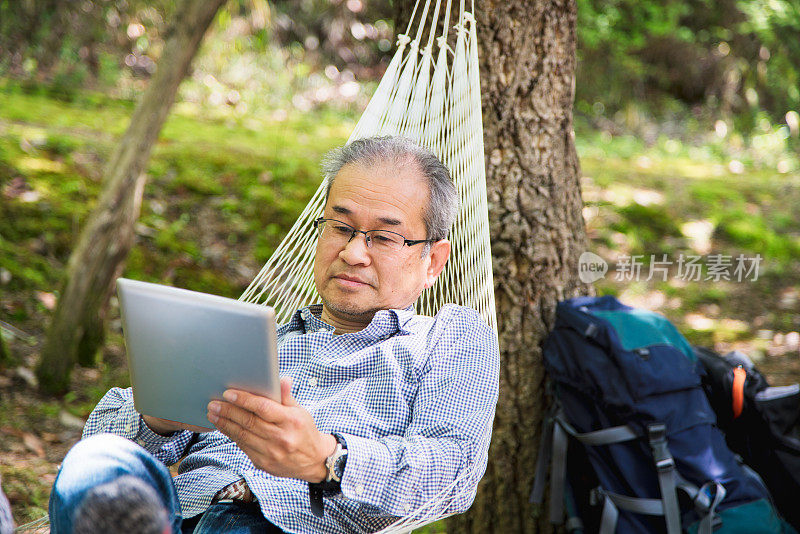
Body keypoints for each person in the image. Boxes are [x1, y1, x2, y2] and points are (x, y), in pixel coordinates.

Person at [49, 136, 500, 533]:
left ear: (433, 262)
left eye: (383, 238)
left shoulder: (448, 340)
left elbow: (452, 473)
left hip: (286, 522)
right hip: (177, 511)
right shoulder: (253, 338)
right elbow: (98, 435)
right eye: (340, 227)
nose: (353, 252)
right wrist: (159, 417)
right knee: (95, 464)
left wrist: (325, 459)